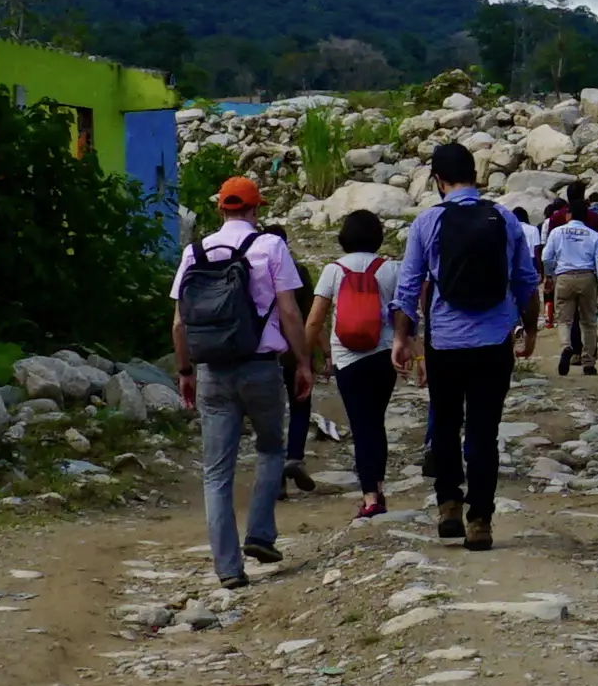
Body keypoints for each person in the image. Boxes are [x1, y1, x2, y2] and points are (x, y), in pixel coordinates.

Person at [175, 176, 307, 589]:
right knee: (271, 448)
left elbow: (180, 323)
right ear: (256, 209)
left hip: (212, 370)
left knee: (216, 472)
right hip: (262, 366)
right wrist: (303, 361)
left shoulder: (193, 252)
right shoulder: (270, 247)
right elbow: (289, 313)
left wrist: (185, 372)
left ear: (220, 209)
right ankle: (261, 534)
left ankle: (229, 569)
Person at [403, 143, 532, 549]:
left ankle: (448, 506)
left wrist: (402, 338)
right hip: (494, 341)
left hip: (445, 341)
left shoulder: (428, 223)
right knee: (483, 429)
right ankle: (481, 520)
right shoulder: (505, 218)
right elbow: (526, 280)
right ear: (474, 175)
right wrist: (529, 329)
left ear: (438, 181)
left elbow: (408, 287)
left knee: (443, 422)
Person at [317, 206, 399, 518]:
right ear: (378, 237)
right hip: (383, 355)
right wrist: (410, 347)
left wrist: (308, 355)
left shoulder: (333, 271)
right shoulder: (391, 269)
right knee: (375, 422)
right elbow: (404, 314)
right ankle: (378, 486)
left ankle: (369, 497)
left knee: (361, 424)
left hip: (347, 359)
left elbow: (315, 320)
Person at [545, 188, 598, 375]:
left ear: (570, 215)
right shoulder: (593, 235)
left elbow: (546, 257)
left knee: (565, 320)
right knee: (588, 322)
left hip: (564, 277)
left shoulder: (557, 232)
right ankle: (588, 362)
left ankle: (567, 346)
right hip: (587, 278)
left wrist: (549, 276)